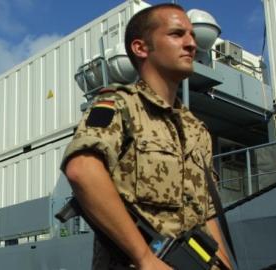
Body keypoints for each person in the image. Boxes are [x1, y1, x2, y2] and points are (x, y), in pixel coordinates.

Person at [60, 3, 232, 270]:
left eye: (192, 36)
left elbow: (206, 214)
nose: (190, 44)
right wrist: (144, 257)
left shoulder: (197, 129)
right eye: (177, 34)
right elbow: (82, 170)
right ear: (141, 48)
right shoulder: (119, 105)